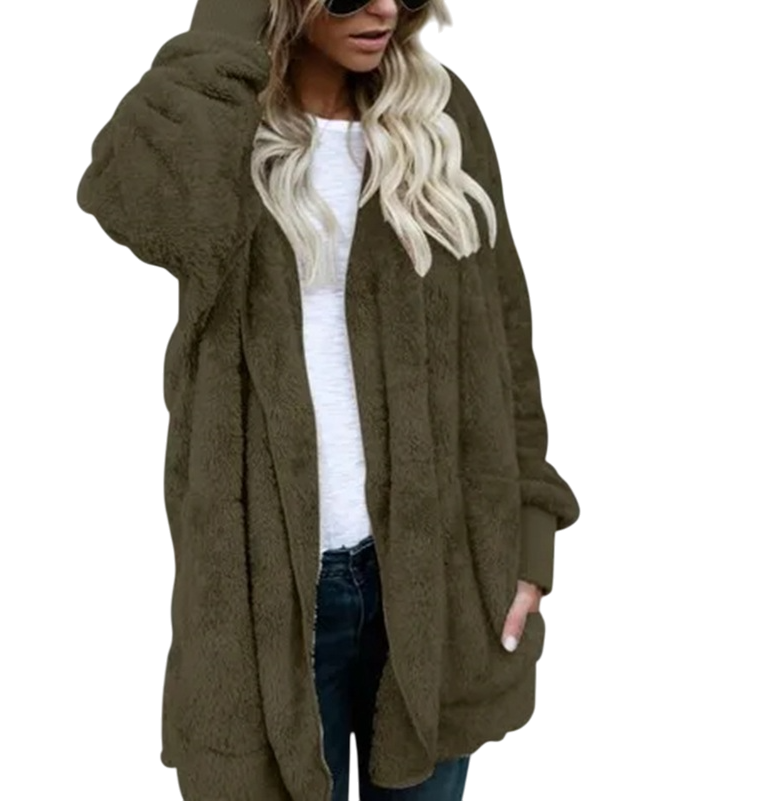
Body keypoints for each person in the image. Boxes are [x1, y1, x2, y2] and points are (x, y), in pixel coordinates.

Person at [76, 1, 581, 800]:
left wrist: (528, 541)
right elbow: (138, 200)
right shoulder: (224, 131)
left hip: (436, 581)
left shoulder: (438, 117)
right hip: (264, 600)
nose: (384, 7)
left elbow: (504, 342)